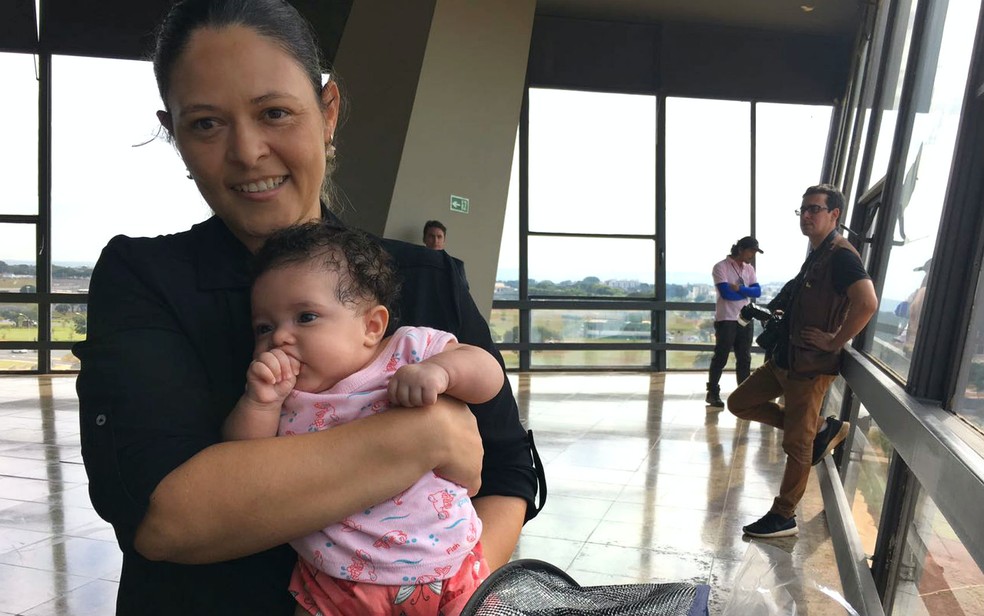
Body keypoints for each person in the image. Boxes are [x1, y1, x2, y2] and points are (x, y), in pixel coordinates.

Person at [74, 1, 540, 613]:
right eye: (206, 124)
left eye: (274, 113)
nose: (246, 151)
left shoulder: (425, 282)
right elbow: (167, 519)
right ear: (175, 133)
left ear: (328, 112)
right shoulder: (145, 280)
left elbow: (508, 477)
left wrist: (449, 590)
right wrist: (422, 436)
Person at [225, 223, 500, 615]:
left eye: (305, 317)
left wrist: (442, 372)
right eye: (264, 327)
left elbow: (488, 375)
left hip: (450, 567)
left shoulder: (410, 351)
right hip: (336, 585)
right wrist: (259, 404)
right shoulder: (284, 396)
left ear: (372, 326)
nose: (280, 338)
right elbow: (241, 465)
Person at [727, 184, 878, 538]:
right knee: (739, 402)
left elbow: (867, 303)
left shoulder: (841, 255)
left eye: (815, 209)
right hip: (786, 360)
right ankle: (822, 430)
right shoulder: (818, 253)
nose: (807, 216)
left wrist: (835, 340)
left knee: (797, 446)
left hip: (810, 367)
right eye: (803, 210)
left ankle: (784, 516)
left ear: (834, 214)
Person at [705, 236, 763, 407]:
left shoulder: (749, 269)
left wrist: (740, 289)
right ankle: (712, 392)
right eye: (751, 250)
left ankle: (743, 395)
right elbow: (726, 294)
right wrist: (747, 292)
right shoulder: (721, 267)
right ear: (740, 249)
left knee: (744, 358)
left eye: (755, 252)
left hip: (744, 318)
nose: (753, 255)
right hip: (726, 319)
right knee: (721, 357)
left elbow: (758, 292)